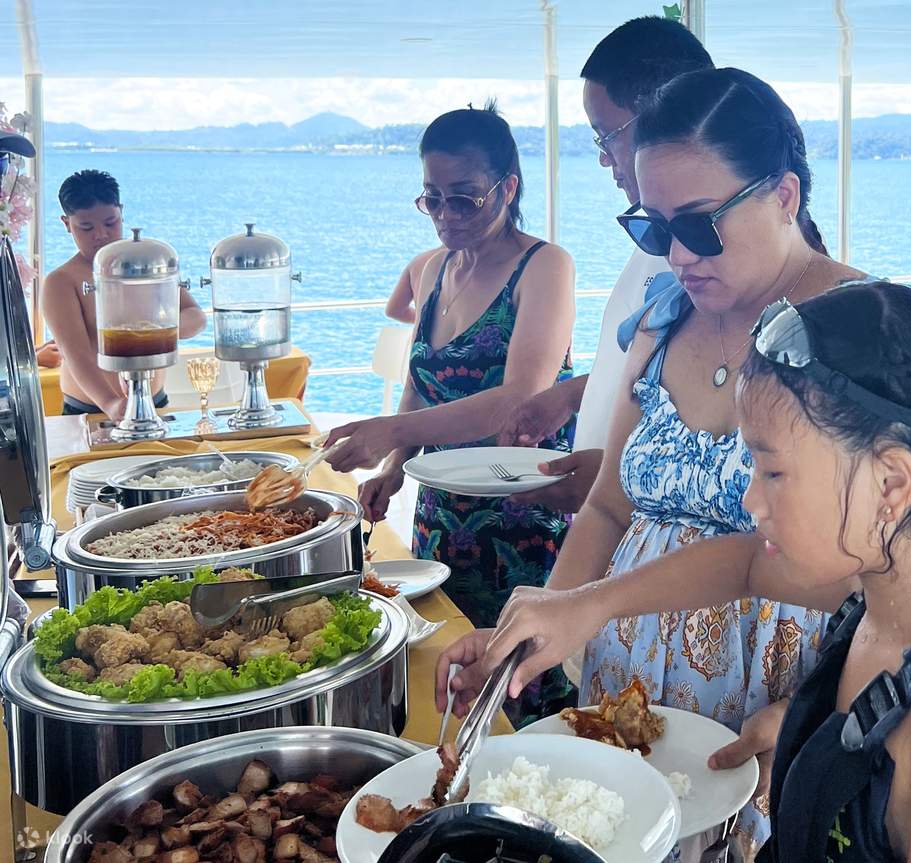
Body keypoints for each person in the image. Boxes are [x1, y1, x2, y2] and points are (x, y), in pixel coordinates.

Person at [453, 282, 911, 863]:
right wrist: (584, 605)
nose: (751, 501)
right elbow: (742, 565)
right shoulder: (901, 567)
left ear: (891, 481)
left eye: (771, 470)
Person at [443, 67, 865, 859]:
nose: (675, 253)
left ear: (783, 195)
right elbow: (607, 508)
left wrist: (824, 710)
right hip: (634, 709)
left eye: (699, 225)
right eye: (651, 227)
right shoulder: (666, 319)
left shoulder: (865, 331)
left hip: (783, 719)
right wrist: (538, 629)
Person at [322, 105, 577, 725]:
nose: (445, 216)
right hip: (443, 513)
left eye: (464, 199)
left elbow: (520, 394)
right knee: (448, 673)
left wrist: (395, 431)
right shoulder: (432, 269)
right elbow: (420, 381)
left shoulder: (543, 265)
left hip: (528, 514)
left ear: (508, 188)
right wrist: (394, 463)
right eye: (432, 199)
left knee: (525, 682)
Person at [497, 16, 714, 515]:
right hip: (612, 533)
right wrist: (574, 394)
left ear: (658, 117)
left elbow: (731, 418)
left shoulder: (718, 258)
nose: (603, 158)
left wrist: (621, 480)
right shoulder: (654, 235)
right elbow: (661, 376)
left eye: (605, 135)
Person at [45, 170, 206, 419]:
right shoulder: (61, 282)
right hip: (91, 411)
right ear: (67, 224)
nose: (101, 234)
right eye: (86, 227)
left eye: (110, 223)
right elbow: (75, 354)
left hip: (155, 403)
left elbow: (196, 317)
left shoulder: (149, 264)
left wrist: (155, 329)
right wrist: (110, 403)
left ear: (121, 211)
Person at [383, 249, 439, 324]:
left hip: (423, 334)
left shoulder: (418, 261)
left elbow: (393, 311)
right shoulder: (457, 262)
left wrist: (423, 320)